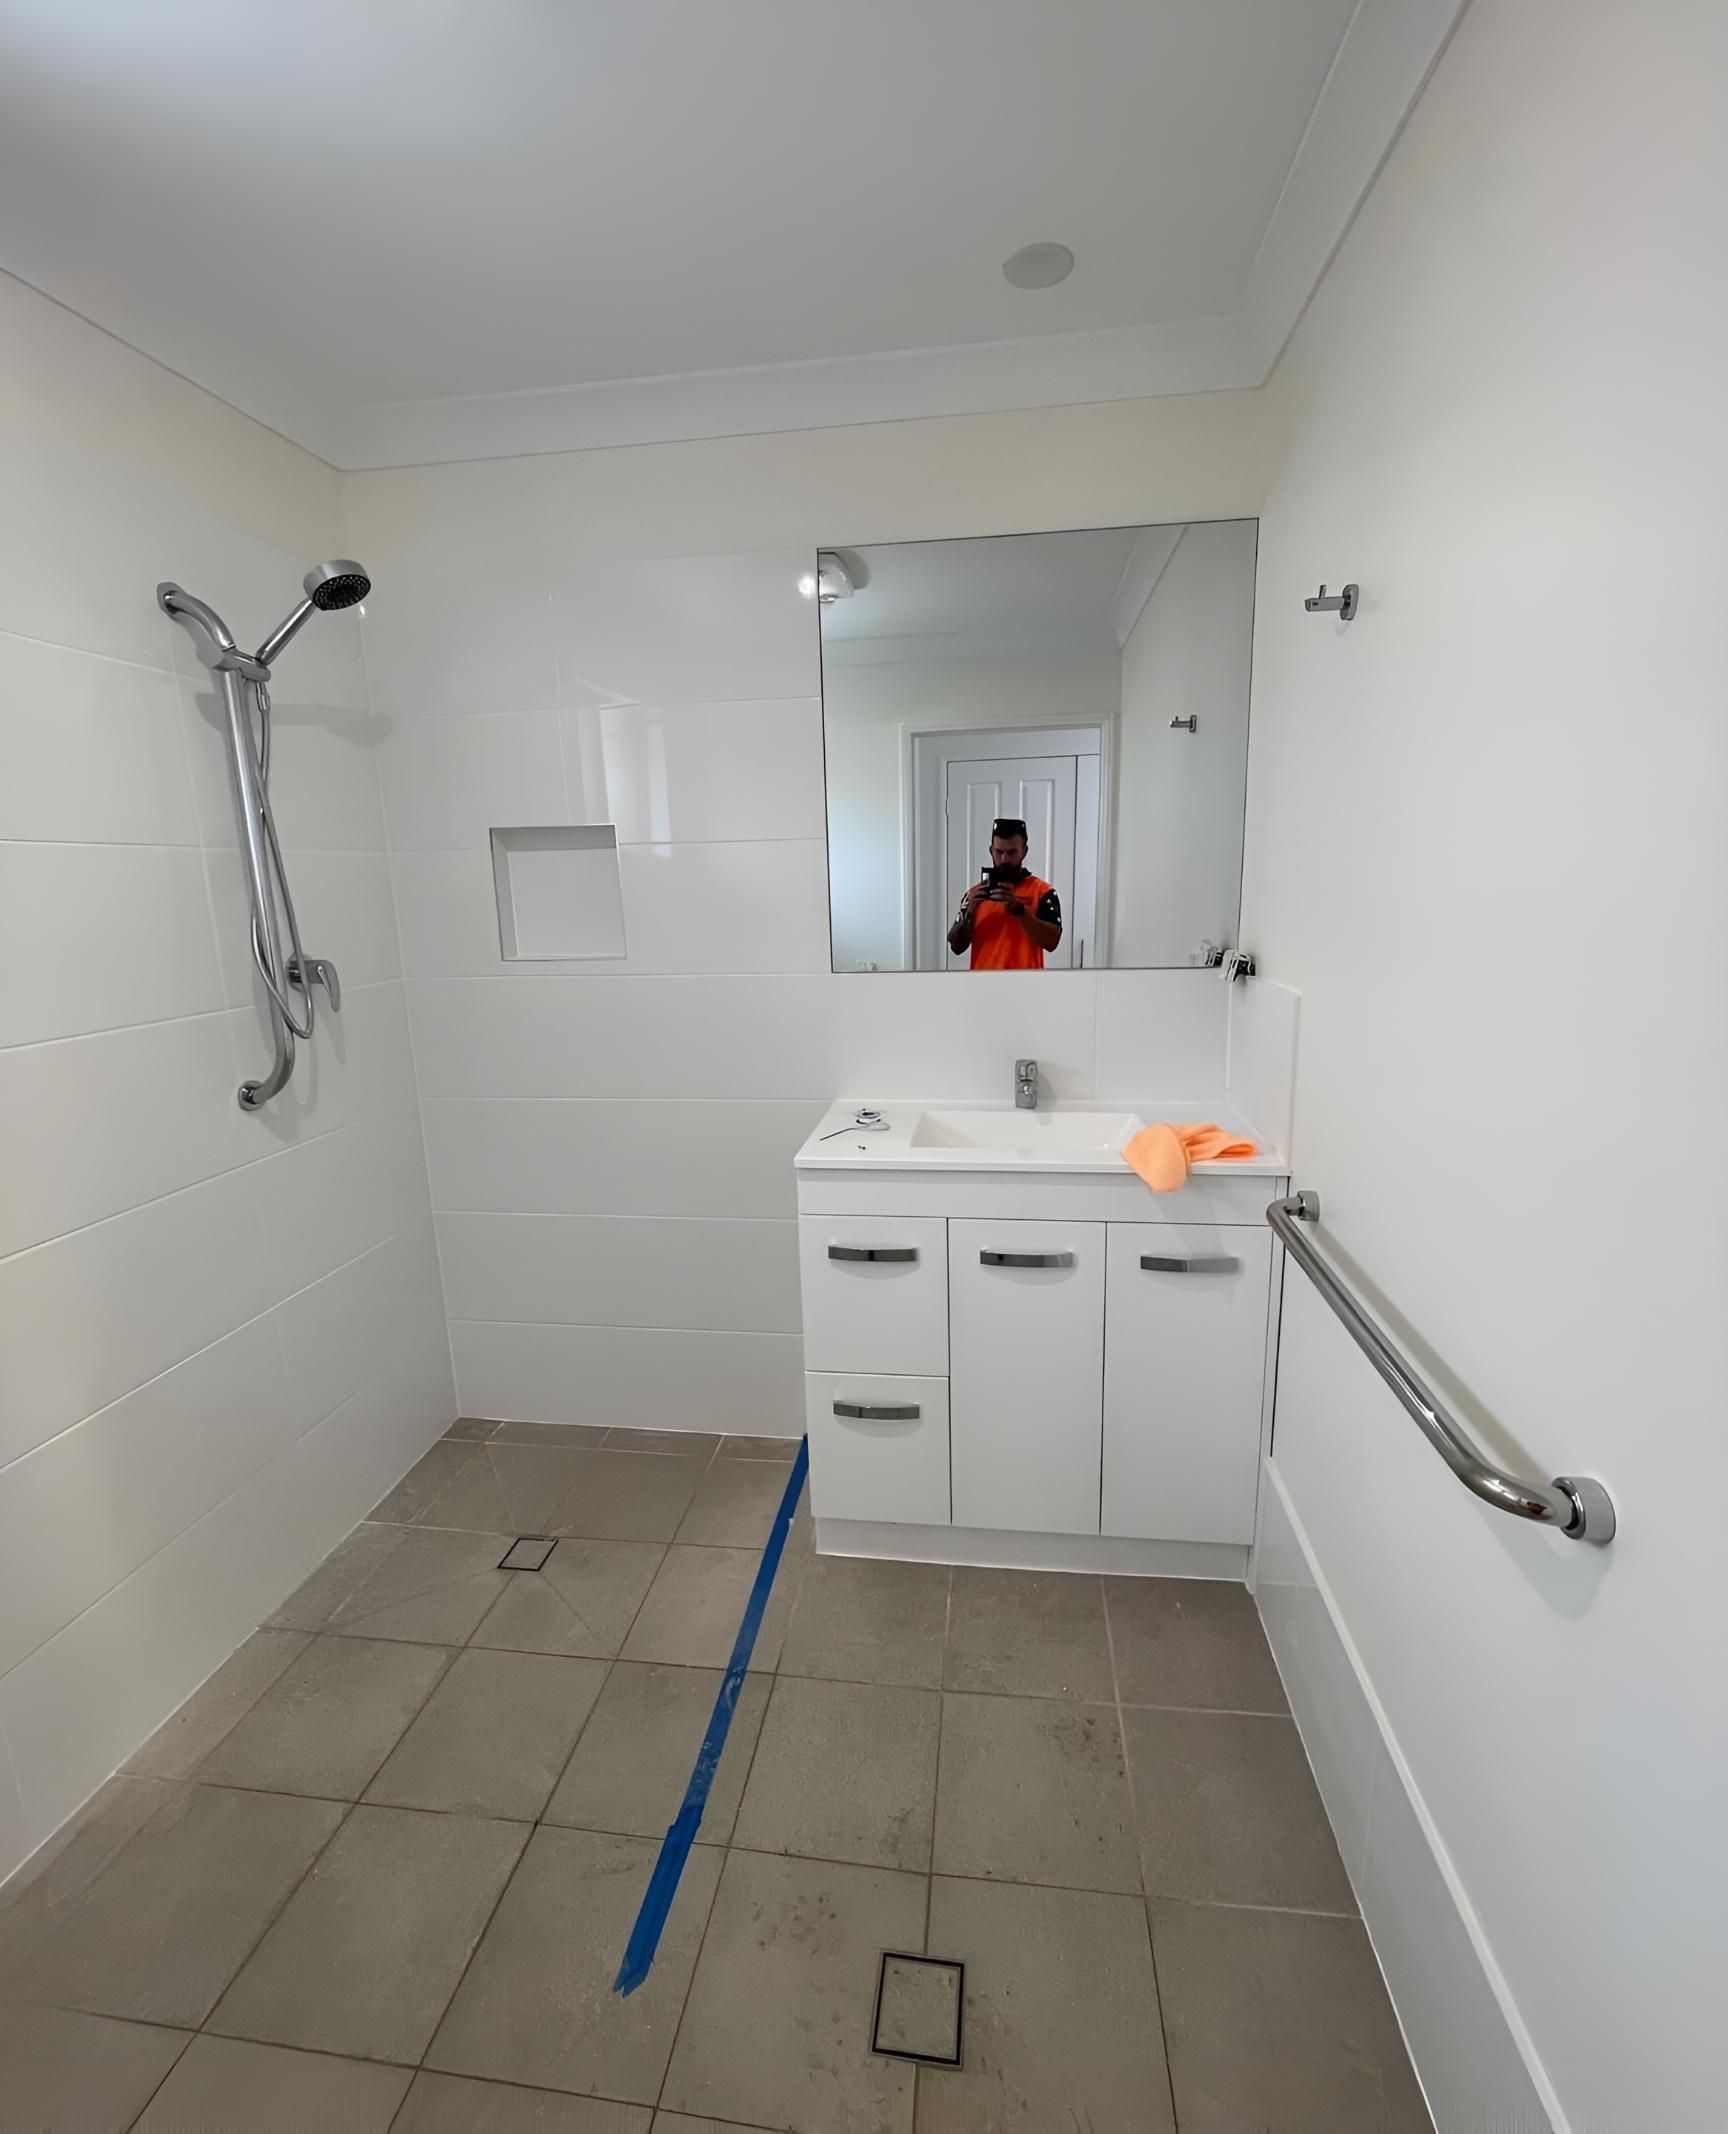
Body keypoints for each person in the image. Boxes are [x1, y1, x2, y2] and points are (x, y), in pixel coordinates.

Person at [947, 818, 1063, 969]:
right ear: (991, 851)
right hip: (983, 987)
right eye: (999, 852)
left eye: (1012, 852)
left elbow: (1052, 943)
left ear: (1024, 851)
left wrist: (1021, 912)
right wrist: (968, 913)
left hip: (1027, 987)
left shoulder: (1043, 893)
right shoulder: (974, 894)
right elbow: (956, 947)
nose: (1004, 859)